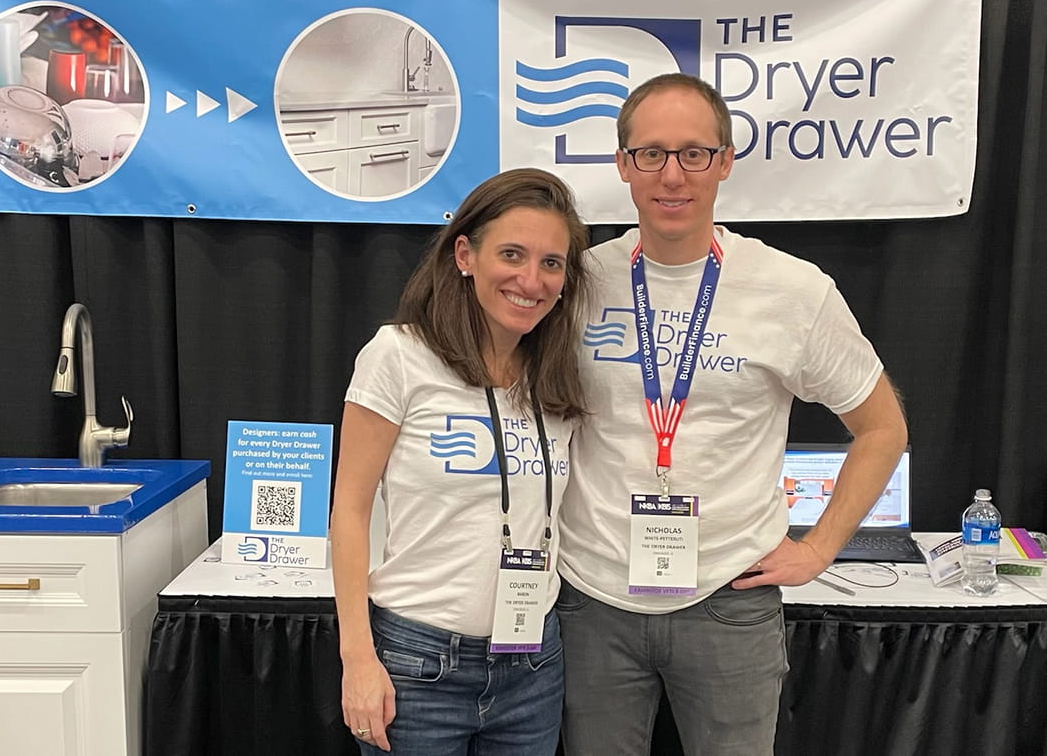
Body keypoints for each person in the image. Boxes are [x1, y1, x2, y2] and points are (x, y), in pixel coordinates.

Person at [557, 73, 908, 755]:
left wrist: (817, 548)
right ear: (623, 164)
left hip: (729, 599)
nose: (672, 175)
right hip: (591, 598)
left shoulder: (792, 289)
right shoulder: (577, 281)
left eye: (694, 153)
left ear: (725, 161)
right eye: (651, 153)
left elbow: (882, 425)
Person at [330, 168, 591, 754]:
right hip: (417, 666)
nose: (532, 279)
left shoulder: (558, 378)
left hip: (532, 665)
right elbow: (349, 510)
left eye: (552, 263)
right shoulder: (398, 356)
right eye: (512, 254)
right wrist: (358, 659)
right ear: (465, 255)